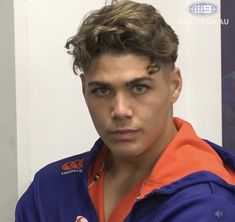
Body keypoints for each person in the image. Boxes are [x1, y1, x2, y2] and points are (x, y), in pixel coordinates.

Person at [15, 0, 235, 221]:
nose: (120, 110)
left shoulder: (208, 202)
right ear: (84, 89)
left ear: (174, 85)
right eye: (102, 90)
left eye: (139, 88)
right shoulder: (49, 189)